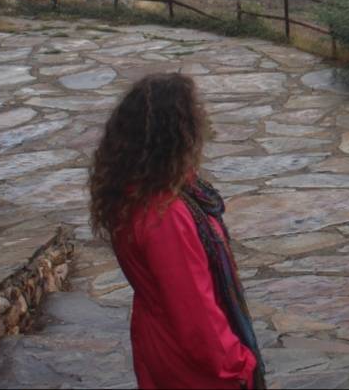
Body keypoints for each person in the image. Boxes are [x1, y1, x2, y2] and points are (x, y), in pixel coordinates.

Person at [89, 72, 265, 389]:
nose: (203, 122)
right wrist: (239, 365)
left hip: (160, 342)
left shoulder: (135, 192)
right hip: (192, 367)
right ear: (175, 134)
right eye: (195, 116)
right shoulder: (165, 215)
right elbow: (195, 313)